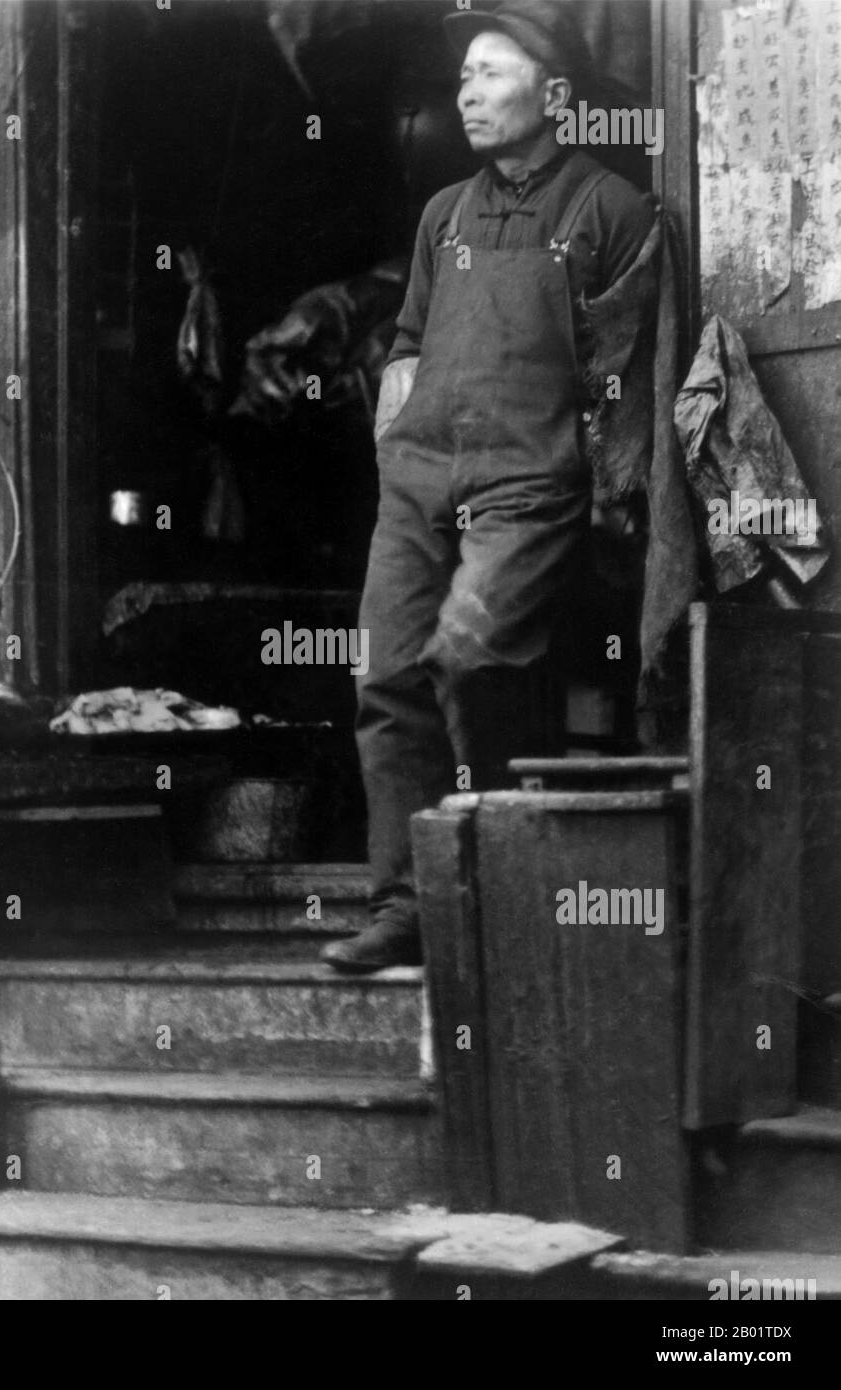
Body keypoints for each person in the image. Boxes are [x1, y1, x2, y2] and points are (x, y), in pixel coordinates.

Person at [322, 0, 657, 973]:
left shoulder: (609, 209)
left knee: (468, 660)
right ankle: (405, 906)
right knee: (384, 677)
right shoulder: (444, 214)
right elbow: (410, 342)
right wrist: (395, 444)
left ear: (553, 95)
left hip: (527, 482)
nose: (466, 92)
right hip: (420, 475)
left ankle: (500, 889)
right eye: (461, 76)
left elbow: (620, 373)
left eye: (489, 73)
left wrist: (603, 497)